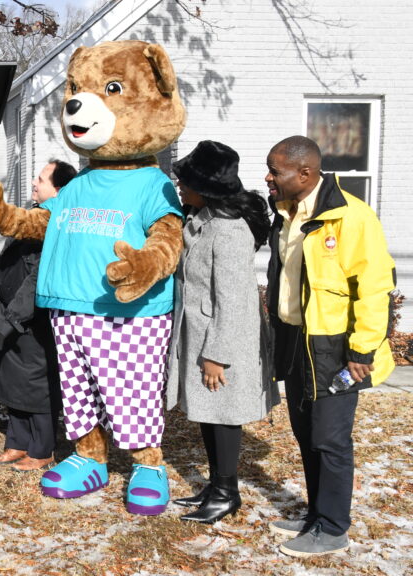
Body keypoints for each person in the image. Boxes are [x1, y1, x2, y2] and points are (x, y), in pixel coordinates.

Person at [264, 135, 395, 557]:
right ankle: (317, 514)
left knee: (331, 439)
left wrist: (362, 351)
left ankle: (334, 527)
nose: (268, 177)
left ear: (304, 174)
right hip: (295, 340)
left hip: (336, 347)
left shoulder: (351, 217)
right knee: (306, 434)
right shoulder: (285, 214)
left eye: (275, 170)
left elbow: (374, 289)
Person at [164, 141, 278, 524]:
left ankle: (227, 493)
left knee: (224, 414)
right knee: (209, 414)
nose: (180, 187)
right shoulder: (204, 219)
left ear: (205, 185)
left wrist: (217, 354)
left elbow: (232, 299)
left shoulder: (228, 230)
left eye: (185, 181)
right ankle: (215, 486)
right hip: (204, 334)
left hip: (222, 340)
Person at [0, 159, 76, 472]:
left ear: (58, 189)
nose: (35, 183)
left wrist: (14, 317)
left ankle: (42, 448)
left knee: (36, 383)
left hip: (33, 318)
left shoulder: (56, 222)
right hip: (12, 312)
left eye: (41, 179)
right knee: (13, 379)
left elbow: (36, 280)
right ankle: (17, 443)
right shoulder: (32, 214)